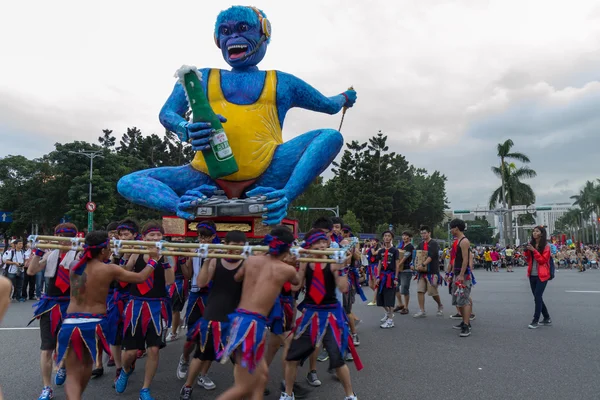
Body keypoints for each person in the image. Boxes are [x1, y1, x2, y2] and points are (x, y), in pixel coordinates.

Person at [55, 230, 158, 400]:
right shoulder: (109, 269)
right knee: (87, 365)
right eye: (109, 247)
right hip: (93, 322)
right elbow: (140, 277)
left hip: (70, 322)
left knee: (73, 372)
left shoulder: (74, 265)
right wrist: (154, 260)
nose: (111, 250)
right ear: (103, 251)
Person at [215, 226, 300, 400]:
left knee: (261, 378)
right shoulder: (286, 269)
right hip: (252, 326)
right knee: (243, 388)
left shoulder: (251, 260)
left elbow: (237, 277)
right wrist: (294, 263)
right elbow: (296, 283)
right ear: (288, 248)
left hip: (239, 319)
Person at [281, 229, 360, 400]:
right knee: (292, 357)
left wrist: (342, 268)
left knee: (337, 359)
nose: (322, 246)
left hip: (330, 314)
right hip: (310, 313)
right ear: (310, 245)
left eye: (324, 242)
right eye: (317, 243)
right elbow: (295, 287)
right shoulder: (305, 263)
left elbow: (343, 287)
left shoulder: (333, 263)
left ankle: (350, 395)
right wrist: (289, 266)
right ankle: (287, 394)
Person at [178, 230, 247, 399]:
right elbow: (201, 282)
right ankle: (188, 386)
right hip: (214, 314)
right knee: (201, 354)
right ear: (225, 245)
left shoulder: (247, 263)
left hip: (236, 315)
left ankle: (244, 388)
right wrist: (207, 259)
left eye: (240, 246)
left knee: (238, 357)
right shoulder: (216, 260)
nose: (237, 249)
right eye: (233, 246)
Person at [116, 221, 175, 400]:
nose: (156, 238)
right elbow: (123, 276)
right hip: (136, 304)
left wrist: (164, 261)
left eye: (158, 235)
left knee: (154, 349)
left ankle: (145, 389)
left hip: (157, 305)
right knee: (130, 353)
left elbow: (170, 281)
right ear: (144, 237)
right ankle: (125, 371)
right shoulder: (137, 251)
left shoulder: (167, 253)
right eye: (152, 235)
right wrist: (125, 257)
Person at [27, 223, 79, 400]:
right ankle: (46, 387)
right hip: (50, 304)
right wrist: (39, 252)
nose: (63, 241)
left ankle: (63, 364)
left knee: (66, 345)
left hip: (71, 305)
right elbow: (31, 270)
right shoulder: (50, 255)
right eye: (60, 236)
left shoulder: (79, 255)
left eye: (67, 236)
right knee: (46, 348)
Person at [176, 220, 219, 389]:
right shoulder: (193, 249)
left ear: (213, 236)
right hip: (195, 294)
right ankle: (184, 359)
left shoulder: (219, 250)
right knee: (191, 338)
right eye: (200, 236)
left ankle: (203, 375)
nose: (203, 239)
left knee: (211, 338)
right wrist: (182, 261)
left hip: (213, 296)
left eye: (206, 236)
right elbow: (187, 274)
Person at [105, 219, 140, 383]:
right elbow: (110, 276)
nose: (124, 237)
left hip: (135, 296)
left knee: (133, 334)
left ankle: (128, 362)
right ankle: (119, 368)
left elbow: (130, 274)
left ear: (134, 235)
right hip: (117, 296)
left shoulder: (141, 250)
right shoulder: (114, 252)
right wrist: (116, 258)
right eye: (121, 234)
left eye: (127, 234)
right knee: (114, 332)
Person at [448, 219, 474, 337]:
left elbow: (465, 259)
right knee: (459, 299)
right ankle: (464, 321)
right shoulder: (457, 241)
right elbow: (455, 260)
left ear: (456, 228)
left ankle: (467, 325)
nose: (451, 230)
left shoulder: (464, 241)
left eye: (451, 228)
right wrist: (451, 274)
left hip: (463, 275)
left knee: (464, 300)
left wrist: (462, 274)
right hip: (457, 273)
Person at [413, 226, 444, 318]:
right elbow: (416, 255)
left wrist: (422, 265)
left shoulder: (434, 243)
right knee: (420, 291)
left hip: (432, 272)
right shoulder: (421, 244)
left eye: (425, 233)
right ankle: (422, 310)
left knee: (433, 292)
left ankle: (440, 305)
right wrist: (413, 264)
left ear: (429, 233)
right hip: (422, 273)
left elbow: (431, 256)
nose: (423, 235)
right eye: (422, 233)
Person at [526, 226, 552, 329]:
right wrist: (527, 251)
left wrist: (534, 250)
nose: (534, 233)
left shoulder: (546, 246)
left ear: (541, 233)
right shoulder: (532, 244)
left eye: (537, 231)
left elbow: (542, 260)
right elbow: (528, 259)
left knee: (537, 296)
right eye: (533, 231)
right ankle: (546, 317)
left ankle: (535, 320)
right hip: (532, 274)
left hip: (542, 275)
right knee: (537, 297)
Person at [377, 231, 400, 328]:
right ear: (383, 238)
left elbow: (397, 265)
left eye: (389, 236)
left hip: (390, 276)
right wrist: (377, 276)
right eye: (385, 236)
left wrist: (396, 278)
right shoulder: (380, 251)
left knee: (389, 298)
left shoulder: (395, 250)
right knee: (380, 298)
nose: (386, 237)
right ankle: (388, 313)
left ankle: (391, 320)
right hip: (382, 276)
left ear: (391, 238)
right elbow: (379, 264)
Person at [395, 231, 414, 315]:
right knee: (395, 287)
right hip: (398, 270)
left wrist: (398, 265)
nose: (404, 237)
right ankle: (400, 304)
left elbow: (405, 257)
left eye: (406, 236)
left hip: (406, 269)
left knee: (404, 289)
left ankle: (406, 307)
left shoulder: (410, 246)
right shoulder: (400, 245)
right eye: (403, 235)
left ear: (410, 237)